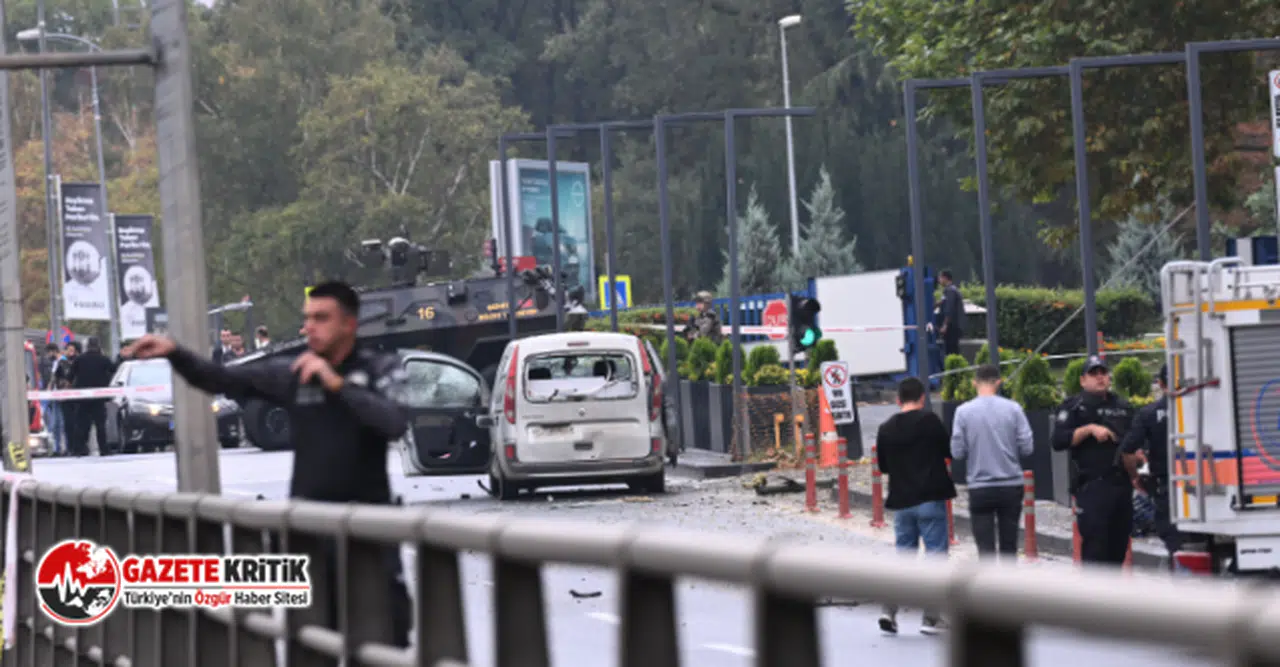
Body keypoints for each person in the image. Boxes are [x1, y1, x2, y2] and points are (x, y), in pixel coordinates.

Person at [122, 280, 412, 647]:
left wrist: (337, 385)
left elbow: (394, 423)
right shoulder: (294, 373)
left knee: (383, 645)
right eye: (307, 319)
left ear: (349, 324)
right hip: (309, 538)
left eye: (322, 318)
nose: (309, 327)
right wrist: (175, 353)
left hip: (370, 536)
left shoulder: (378, 368)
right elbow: (222, 378)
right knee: (310, 647)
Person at [875, 376, 955, 636]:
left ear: (898, 400)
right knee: (935, 556)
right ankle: (931, 618)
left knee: (904, 557)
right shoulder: (930, 422)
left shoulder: (886, 428)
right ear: (922, 398)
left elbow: (883, 466)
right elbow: (948, 450)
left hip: (902, 501)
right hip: (930, 498)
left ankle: (889, 610)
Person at [1051, 355, 1135, 566]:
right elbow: (1058, 440)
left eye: (1103, 373)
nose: (1100, 378)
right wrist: (1088, 430)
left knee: (1118, 547)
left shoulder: (1123, 407)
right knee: (1095, 549)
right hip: (1092, 487)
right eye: (1094, 374)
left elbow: (1137, 441)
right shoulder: (1073, 407)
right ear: (1083, 380)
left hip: (1121, 484)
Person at [950, 364, 1034, 559]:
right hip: (1011, 484)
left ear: (974, 383)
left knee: (985, 550)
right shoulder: (1014, 409)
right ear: (998, 382)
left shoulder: (963, 412)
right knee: (1009, 545)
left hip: (980, 486)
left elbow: (957, 452)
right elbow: (1027, 447)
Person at [1120, 365, 1183, 567]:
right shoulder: (1206, 409)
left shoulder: (1148, 414)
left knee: (1176, 547)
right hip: (1211, 484)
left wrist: (1134, 477)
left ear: (1161, 384)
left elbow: (1127, 450)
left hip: (1167, 488)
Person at [70, 337, 117, 456]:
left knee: (81, 424)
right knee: (100, 425)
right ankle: (104, 449)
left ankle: (79, 449)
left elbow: (70, 375)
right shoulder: (103, 359)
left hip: (82, 398)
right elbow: (114, 370)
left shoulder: (79, 359)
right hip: (99, 398)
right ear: (98, 346)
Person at [55, 342, 80, 456]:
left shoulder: (79, 363)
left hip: (77, 398)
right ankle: (70, 447)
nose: (70, 353)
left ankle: (78, 446)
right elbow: (57, 378)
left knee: (77, 423)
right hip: (65, 398)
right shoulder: (61, 364)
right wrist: (61, 387)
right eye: (68, 350)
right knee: (67, 423)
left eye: (72, 350)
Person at [41, 344, 67, 457]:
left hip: (62, 395)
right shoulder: (56, 362)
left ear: (53, 351)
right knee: (55, 423)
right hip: (56, 395)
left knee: (60, 423)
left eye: (49, 353)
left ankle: (62, 447)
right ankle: (57, 447)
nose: (48, 356)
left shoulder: (62, 362)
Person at [935, 270, 964, 357]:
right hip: (954, 326)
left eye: (940, 278)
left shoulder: (950, 291)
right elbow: (944, 302)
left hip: (951, 327)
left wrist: (945, 325)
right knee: (953, 349)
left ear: (945, 278)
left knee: (951, 350)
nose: (939, 280)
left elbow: (949, 309)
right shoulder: (952, 290)